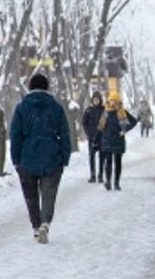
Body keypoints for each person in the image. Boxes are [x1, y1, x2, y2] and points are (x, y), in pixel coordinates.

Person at [9, 73, 73, 244]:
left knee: (30, 196)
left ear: (30, 88)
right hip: (52, 156)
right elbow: (65, 134)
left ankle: (36, 226)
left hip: (27, 156)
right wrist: (65, 156)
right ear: (47, 88)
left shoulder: (22, 108)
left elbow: (15, 135)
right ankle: (45, 223)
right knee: (49, 194)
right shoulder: (56, 108)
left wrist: (16, 158)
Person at [98, 91, 139, 191]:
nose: (113, 103)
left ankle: (116, 183)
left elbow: (134, 121)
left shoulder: (122, 111)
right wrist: (97, 139)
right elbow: (100, 126)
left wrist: (125, 130)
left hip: (118, 140)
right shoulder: (105, 112)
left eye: (115, 101)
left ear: (118, 101)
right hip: (107, 140)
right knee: (108, 162)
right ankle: (108, 181)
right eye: (111, 100)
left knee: (118, 162)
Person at [80, 91, 104, 183]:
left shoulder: (103, 110)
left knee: (102, 156)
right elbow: (84, 122)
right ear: (92, 100)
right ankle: (92, 174)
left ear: (100, 100)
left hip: (102, 137)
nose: (96, 101)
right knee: (92, 156)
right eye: (94, 99)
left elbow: (107, 122)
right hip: (92, 137)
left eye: (97, 99)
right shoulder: (88, 110)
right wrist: (88, 133)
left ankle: (100, 175)